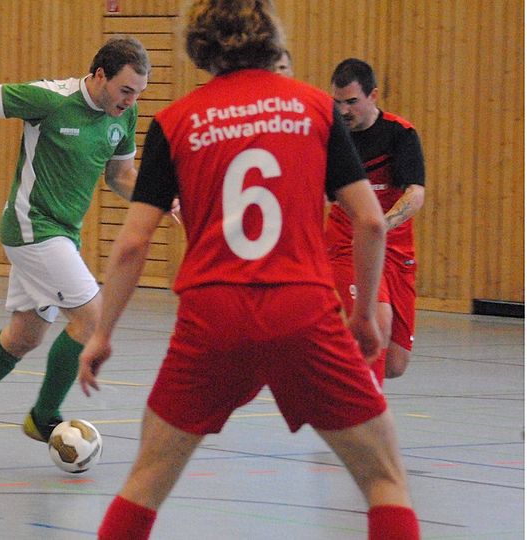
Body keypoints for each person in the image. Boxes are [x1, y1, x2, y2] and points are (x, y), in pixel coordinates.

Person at [78, 1, 419, 539]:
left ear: (201, 45)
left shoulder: (175, 120)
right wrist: (362, 315)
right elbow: (372, 223)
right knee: (384, 478)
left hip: (211, 316)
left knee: (144, 482)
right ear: (272, 39)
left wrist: (102, 334)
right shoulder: (315, 108)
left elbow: (132, 245)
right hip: (302, 310)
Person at [0, 37, 151, 461]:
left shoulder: (124, 113)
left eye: (139, 93)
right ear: (100, 75)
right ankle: (44, 416)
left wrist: (158, 198)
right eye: (126, 90)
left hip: (63, 235)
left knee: (23, 337)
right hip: (32, 228)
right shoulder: (51, 99)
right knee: (91, 316)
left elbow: (121, 175)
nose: (131, 101)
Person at [327, 58, 426, 382]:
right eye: (337, 102)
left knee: (395, 363)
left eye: (352, 102)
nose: (343, 110)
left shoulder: (400, 134)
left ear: (374, 95)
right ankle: (367, 416)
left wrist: (381, 225)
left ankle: (341, 367)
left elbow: (414, 194)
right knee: (377, 321)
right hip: (347, 242)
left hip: (395, 247)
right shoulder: (332, 138)